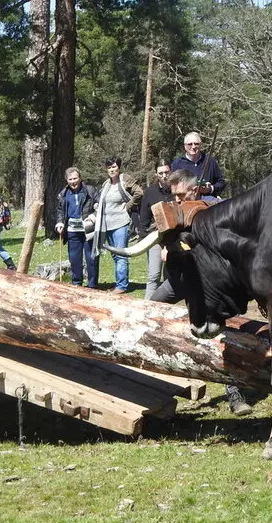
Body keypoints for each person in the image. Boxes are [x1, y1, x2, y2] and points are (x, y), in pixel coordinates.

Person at [150, 171, 253, 415]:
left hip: (209, 286)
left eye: (180, 195)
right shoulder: (173, 211)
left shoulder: (217, 208)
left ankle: (235, 394)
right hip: (181, 281)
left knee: (219, 337)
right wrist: (167, 247)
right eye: (173, 195)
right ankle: (149, 382)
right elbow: (164, 238)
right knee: (150, 312)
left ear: (194, 191)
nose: (176, 201)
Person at [91, 157, 143, 294]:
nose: (112, 170)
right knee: (115, 255)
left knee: (121, 255)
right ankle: (120, 282)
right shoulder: (106, 184)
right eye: (109, 168)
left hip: (121, 223)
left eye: (114, 167)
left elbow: (139, 192)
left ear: (118, 167)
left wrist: (128, 206)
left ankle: (121, 286)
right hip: (107, 224)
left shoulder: (124, 179)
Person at [55, 167, 99, 288]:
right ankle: (76, 284)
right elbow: (60, 210)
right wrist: (59, 222)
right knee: (74, 259)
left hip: (88, 229)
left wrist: (92, 218)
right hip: (72, 231)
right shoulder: (63, 194)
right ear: (67, 180)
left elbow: (100, 206)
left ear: (80, 178)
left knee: (91, 259)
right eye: (70, 179)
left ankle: (92, 285)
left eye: (75, 178)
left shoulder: (90, 190)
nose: (73, 181)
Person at [139, 159, 172, 299]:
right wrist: (144, 235)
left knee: (170, 276)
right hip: (156, 237)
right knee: (154, 275)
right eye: (161, 173)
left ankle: (165, 307)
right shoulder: (150, 192)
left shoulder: (177, 190)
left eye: (166, 172)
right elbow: (144, 217)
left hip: (174, 238)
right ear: (156, 174)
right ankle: (147, 306)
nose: (164, 176)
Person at [171, 131, 226, 198]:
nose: (193, 147)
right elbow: (173, 187)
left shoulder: (210, 161)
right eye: (190, 144)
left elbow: (221, 182)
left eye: (196, 144)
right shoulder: (177, 164)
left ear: (200, 145)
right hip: (186, 203)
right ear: (185, 146)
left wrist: (211, 188)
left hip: (209, 202)